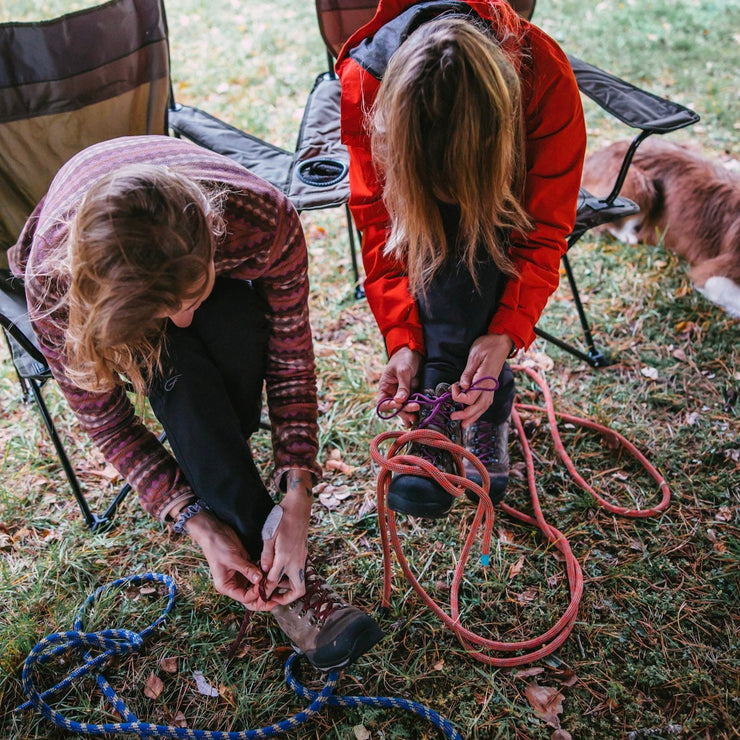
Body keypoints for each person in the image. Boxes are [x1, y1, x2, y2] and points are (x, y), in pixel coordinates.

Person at [8, 135, 383, 671]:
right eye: (168, 311)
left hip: (216, 262)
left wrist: (298, 486)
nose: (183, 319)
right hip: (109, 286)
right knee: (177, 372)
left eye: (191, 298)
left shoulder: (261, 220)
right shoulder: (56, 291)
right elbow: (111, 426)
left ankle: (231, 469)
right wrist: (196, 522)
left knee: (227, 328)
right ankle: (273, 564)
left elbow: (291, 354)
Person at [336, 0, 586, 517]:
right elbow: (379, 227)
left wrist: (506, 335)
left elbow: (544, 230)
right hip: (422, 236)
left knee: (478, 239)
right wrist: (402, 341)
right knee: (429, 239)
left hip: (501, 221)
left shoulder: (544, 78)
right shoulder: (367, 84)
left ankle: (469, 401)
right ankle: (457, 400)